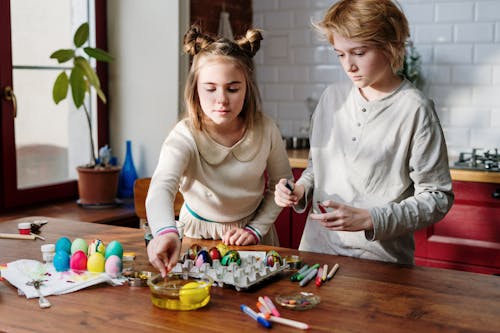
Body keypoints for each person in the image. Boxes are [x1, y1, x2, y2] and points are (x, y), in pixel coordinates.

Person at [274, 0, 454, 265]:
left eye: (359, 52)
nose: (349, 65)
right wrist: (299, 189)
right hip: (316, 253)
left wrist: (372, 218)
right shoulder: (331, 98)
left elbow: (437, 197)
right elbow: (317, 169)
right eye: (340, 54)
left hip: (380, 262)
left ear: (390, 45)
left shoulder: (415, 109)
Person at [147, 25, 292, 276]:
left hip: (254, 234)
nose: (222, 99)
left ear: (247, 88)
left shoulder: (267, 129)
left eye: (233, 89)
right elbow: (161, 186)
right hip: (196, 235)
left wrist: (255, 229)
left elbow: (282, 182)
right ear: (195, 89)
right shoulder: (185, 135)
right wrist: (165, 232)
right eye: (210, 88)